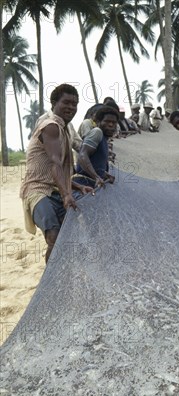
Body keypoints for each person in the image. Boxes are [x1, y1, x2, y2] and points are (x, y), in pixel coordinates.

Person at [20, 83, 89, 262]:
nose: (71, 107)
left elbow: (58, 171)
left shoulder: (66, 130)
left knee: (70, 233)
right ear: (53, 103)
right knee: (54, 236)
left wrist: (76, 186)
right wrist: (67, 194)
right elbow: (55, 164)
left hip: (54, 188)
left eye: (75, 104)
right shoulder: (50, 126)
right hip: (37, 190)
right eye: (66, 102)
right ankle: (49, 283)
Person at [72, 106, 119, 192]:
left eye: (114, 122)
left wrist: (105, 175)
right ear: (98, 122)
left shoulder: (103, 139)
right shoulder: (97, 132)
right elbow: (83, 156)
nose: (111, 125)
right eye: (107, 121)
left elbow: (95, 164)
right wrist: (96, 177)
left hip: (91, 183)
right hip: (83, 183)